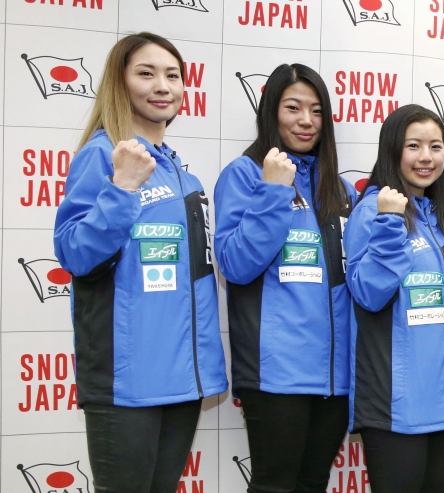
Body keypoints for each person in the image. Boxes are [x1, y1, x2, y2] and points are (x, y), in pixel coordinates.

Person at [53, 32, 227, 493]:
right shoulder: (102, 155)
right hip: (127, 381)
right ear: (120, 82)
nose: (162, 85)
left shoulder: (180, 172)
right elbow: (76, 254)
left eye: (172, 75)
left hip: (181, 381)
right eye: (146, 73)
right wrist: (122, 187)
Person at [214, 63, 356, 493]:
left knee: (312, 484)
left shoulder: (342, 190)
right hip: (277, 373)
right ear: (271, 113)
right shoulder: (244, 175)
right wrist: (274, 191)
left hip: (335, 376)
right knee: (274, 486)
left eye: (315, 110)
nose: (306, 120)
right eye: (293, 107)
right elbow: (236, 264)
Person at [344, 103, 444, 493]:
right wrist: (388, 223)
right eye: (413, 146)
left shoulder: (440, 217)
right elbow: (368, 294)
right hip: (395, 406)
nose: (426, 157)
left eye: (436, 146)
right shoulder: (372, 212)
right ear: (392, 150)